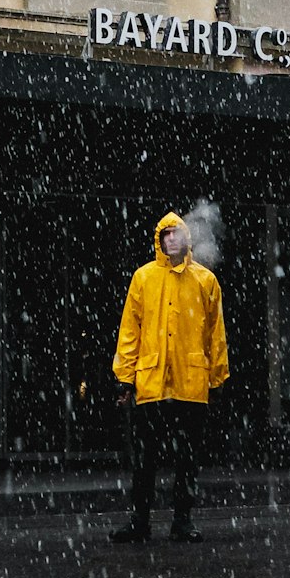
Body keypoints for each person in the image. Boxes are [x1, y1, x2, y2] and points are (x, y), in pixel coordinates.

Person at [110, 210, 228, 543]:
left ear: (188, 238)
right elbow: (130, 331)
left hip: (190, 385)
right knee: (145, 459)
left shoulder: (205, 281)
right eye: (165, 234)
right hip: (151, 385)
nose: (170, 238)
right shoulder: (143, 278)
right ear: (159, 240)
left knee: (186, 459)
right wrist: (125, 377)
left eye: (176, 233)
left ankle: (182, 521)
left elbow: (215, 335)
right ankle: (140, 521)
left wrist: (217, 378)